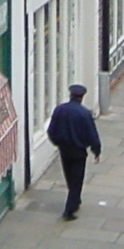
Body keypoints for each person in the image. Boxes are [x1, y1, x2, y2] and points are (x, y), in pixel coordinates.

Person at [47, 84, 103, 220]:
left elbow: (51, 130)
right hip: (79, 151)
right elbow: (92, 134)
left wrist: (57, 142)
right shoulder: (84, 113)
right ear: (82, 97)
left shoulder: (60, 110)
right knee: (77, 180)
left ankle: (75, 199)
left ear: (70, 95)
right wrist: (96, 151)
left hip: (64, 149)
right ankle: (69, 209)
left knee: (69, 176)